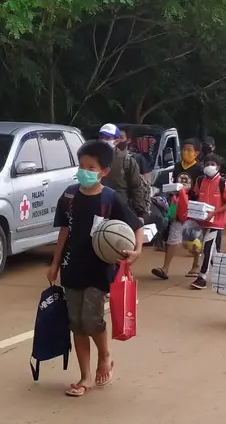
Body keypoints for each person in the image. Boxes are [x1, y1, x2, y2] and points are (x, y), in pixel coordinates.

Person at [48, 140, 144, 397]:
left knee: (91, 320)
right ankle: (85, 377)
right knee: (77, 324)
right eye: (81, 166)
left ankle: (105, 356)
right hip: (72, 267)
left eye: (90, 167)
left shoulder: (110, 199)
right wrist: (55, 263)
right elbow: (64, 231)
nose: (84, 171)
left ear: (104, 171)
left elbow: (136, 226)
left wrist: (137, 250)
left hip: (99, 269)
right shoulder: (69, 196)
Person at [151, 139, 204, 280]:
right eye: (184, 150)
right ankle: (165, 268)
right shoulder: (177, 166)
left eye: (189, 150)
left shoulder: (199, 169)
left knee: (193, 237)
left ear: (196, 153)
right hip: (177, 204)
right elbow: (174, 182)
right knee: (172, 236)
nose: (185, 152)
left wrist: (189, 191)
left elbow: (200, 188)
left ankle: (196, 264)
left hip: (193, 205)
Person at [189, 154, 226, 290]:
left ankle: (202, 277)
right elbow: (196, 196)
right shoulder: (200, 180)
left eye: (213, 164)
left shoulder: (222, 183)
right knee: (212, 251)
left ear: (218, 167)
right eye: (207, 163)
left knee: (207, 248)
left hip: (216, 222)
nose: (209, 166)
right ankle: (223, 275)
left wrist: (213, 212)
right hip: (202, 221)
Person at [98, 124, 149, 220]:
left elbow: (136, 187)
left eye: (107, 138)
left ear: (116, 141)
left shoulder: (127, 161)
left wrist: (140, 214)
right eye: (102, 137)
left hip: (120, 211)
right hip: (97, 209)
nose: (103, 140)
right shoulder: (92, 158)